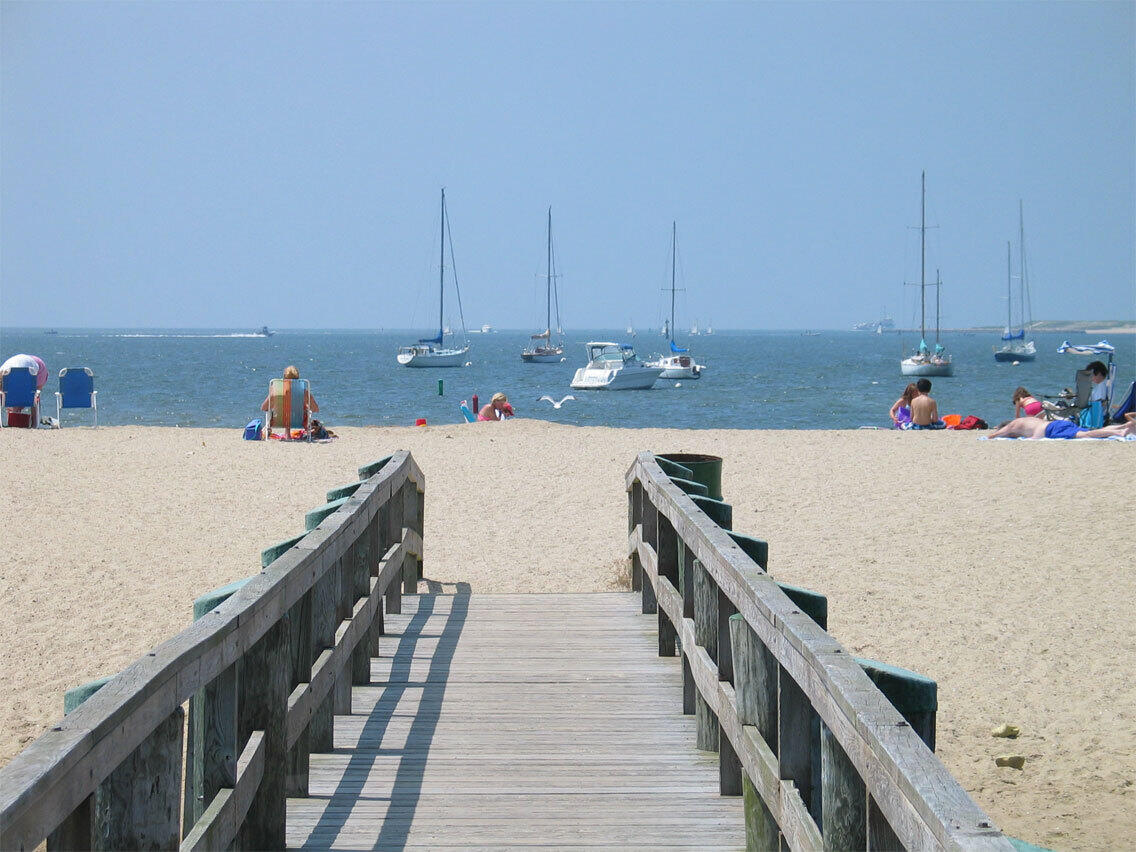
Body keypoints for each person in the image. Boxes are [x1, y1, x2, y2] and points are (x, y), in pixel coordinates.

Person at [990, 413, 1136, 439]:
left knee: (1085, 435)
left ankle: (1118, 433)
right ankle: (1123, 426)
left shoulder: (1014, 424)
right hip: (1057, 424)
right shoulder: (1027, 419)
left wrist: (991, 436)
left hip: (1051, 430)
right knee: (1089, 431)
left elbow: (1002, 431)